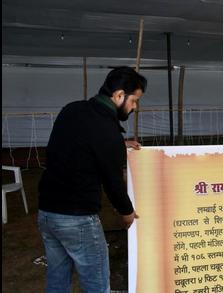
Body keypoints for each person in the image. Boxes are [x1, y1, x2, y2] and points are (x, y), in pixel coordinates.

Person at [37, 66, 146, 292]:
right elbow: (113, 181)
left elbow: (77, 142)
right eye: (134, 100)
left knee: (58, 277)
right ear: (118, 95)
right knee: (96, 283)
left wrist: (118, 144)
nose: (135, 107)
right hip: (77, 218)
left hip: (48, 212)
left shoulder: (72, 110)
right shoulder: (107, 130)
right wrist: (126, 213)